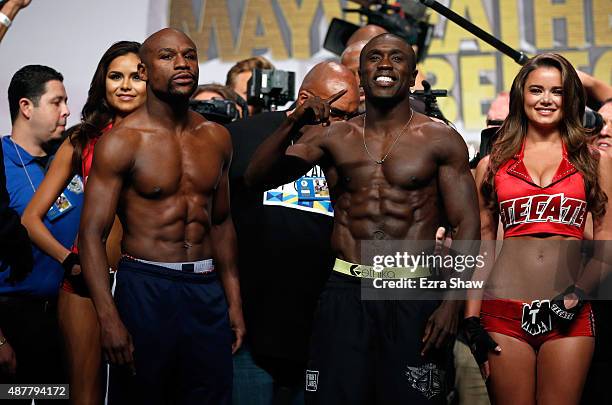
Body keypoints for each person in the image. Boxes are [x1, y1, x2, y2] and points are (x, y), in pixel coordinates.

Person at [246, 33, 479, 405]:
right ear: (360, 74)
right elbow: (257, 178)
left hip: (412, 291)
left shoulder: (441, 139)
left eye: (396, 58)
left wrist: (451, 303)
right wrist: (293, 121)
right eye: (375, 58)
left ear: (414, 73)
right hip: (346, 290)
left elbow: (467, 224)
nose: (385, 65)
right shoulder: (335, 137)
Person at [79, 28, 244, 405]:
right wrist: (108, 318)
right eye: (168, 56)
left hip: (205, 288)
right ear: (144, 70)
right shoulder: (122, 141)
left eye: (190, 55)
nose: (183, 64)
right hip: (146, 287)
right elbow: (91, 234)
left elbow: (220, 223)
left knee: (210, 396)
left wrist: (233, 302)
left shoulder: (217, 137)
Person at [466, 53, 611, 405]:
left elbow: (607, 239)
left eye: (556, 91)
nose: (546, 99)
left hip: (568, 313)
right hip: (502, 312)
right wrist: (470, 319)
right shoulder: (492, 163)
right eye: (536, 90)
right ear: (521, 96)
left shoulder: (595, 161)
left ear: (570, 98)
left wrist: (577, 294)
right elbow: (483, 246)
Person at [227, 61, 359, 405]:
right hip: (251, 324)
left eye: (354, 115)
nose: (345, 125)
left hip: (320, 328)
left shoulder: (354, 149)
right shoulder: (245, 135)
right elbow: (218, 222)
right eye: (339, 113)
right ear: (304, 99)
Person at [21, 41, 145, 404]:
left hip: (147, 283)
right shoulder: (82, 139)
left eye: (137, 77)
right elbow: (31, 218)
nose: (125, 85)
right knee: (85, 397)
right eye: (115, 76)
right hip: (85, 287)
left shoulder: (166, 140)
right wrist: (69, 260)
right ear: (102, 82)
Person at [0, 65, 78, 394]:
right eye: (56, 102)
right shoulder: (1, 161)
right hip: (16, 320)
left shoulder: (70, 159)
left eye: (67, 102)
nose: (67, 111)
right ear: (26, 107)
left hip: (68, 318)